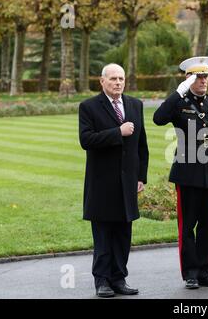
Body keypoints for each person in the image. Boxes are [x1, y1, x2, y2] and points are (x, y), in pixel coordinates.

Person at [153, 56, 208, 289]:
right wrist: (178, 93)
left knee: (207, 226)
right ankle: (191, 272)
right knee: (188, 227)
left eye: (206, 76)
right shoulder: (179, 103)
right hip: (188, 173)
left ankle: (205, 271)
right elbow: (158, 118)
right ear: (188, 78)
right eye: (198, 76)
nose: (203, 81)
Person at [79, 63, 149, 297]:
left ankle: (119, 279)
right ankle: (102, 281)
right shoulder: (89, 107)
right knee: (103, 235)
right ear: (102, 81)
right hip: (101, 184)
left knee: (122, 235)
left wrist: (141, 177)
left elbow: (142, 146)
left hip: (128, 183)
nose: (118, 82)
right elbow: (86, 140)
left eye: (121, 78)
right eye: (113, 79)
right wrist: (117, 132)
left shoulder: (134, 105)